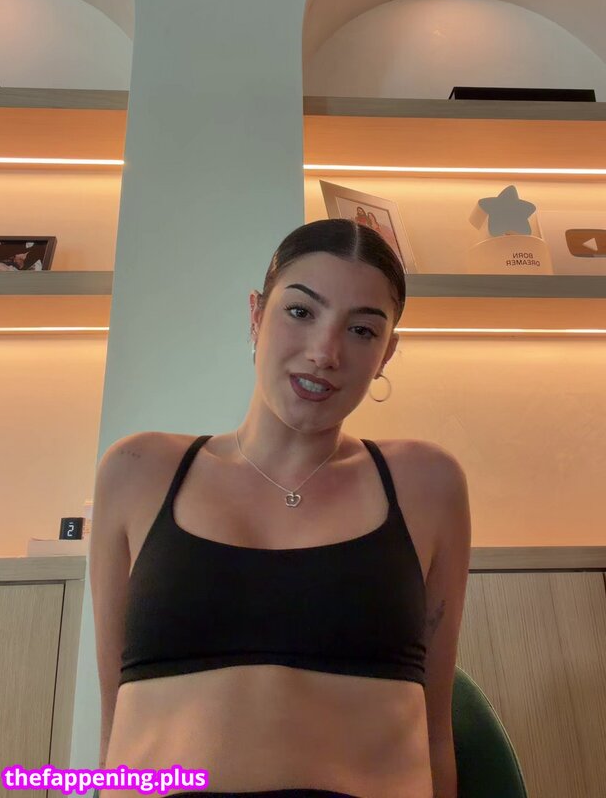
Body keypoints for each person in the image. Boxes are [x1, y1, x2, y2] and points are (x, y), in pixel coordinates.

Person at [90, 218, 471, 798]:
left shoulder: (427, 483)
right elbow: (114, 721)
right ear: (256, 314)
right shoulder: (138, 470)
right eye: (300, 312)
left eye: (362, 330)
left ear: (386, 352)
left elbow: (436, 731)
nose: (324, 352)